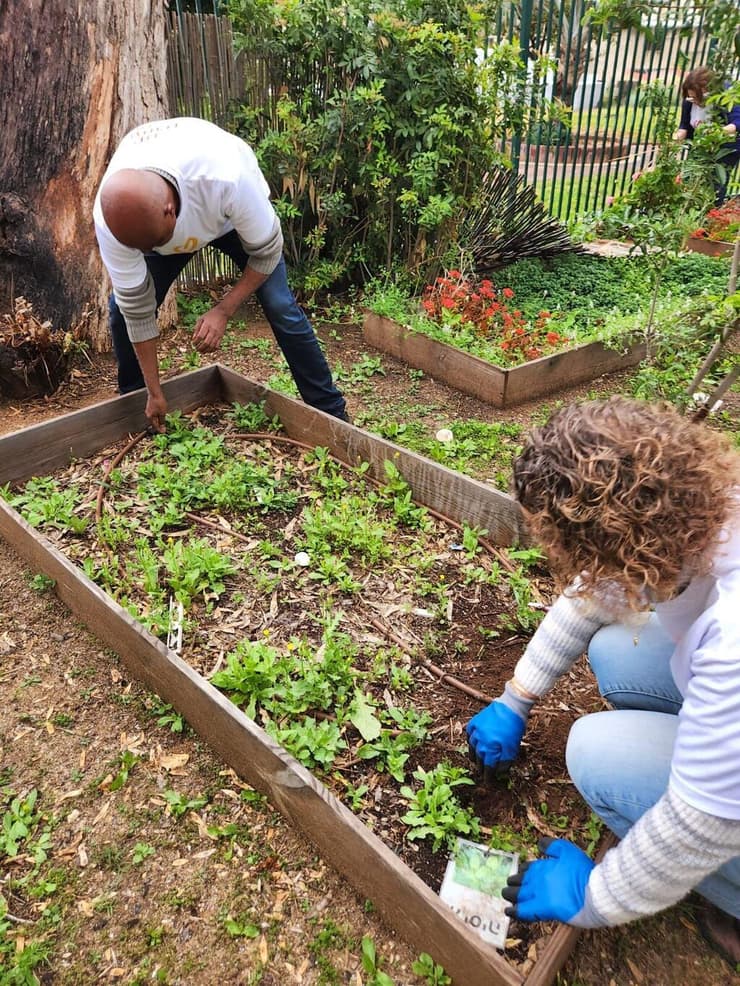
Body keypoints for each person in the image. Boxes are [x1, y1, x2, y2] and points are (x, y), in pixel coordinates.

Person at [466, 396, 740, 967]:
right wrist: (516, 698)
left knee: (594, 753)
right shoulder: (707, 510)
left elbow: (703, 824)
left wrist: (595, 896)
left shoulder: (734, 639)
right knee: (619, 649)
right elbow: (599, 590)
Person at [94, 117, 348, 431]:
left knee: (280, 305)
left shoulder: (227, 177)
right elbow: (137, 309)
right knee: (121, 311)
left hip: (225, 218)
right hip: (169, 219)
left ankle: (331, 413)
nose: (147, 251)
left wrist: (224, 310)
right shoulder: (113, 219)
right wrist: (156, 391)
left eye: (153, 244)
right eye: (140, 249)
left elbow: (267, 253)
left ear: (169, 210)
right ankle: (138, 404)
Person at [673, 66, 740, 205]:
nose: (695, 101)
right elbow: (684, 126)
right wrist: (675, 139)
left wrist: (715, 134)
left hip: (724, 151)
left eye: (698, 98)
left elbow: (737, 122)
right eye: (691, 98)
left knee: (714, 188)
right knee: (690, 183)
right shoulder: (690, 100)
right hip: (699, 148)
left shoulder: (727, 95)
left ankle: (709, 219)